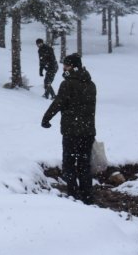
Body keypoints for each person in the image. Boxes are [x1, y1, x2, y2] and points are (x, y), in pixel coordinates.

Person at [41, 53, 97, 204]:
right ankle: (87, 196)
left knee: (69, 164)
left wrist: (46, 118)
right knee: (85, 165)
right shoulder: (91, 84)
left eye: (66, 65)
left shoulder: (68, 84)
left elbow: (58, 103)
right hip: (88, 132)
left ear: (72, 66)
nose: (63, 68)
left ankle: (73, 195)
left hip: (72, 132)